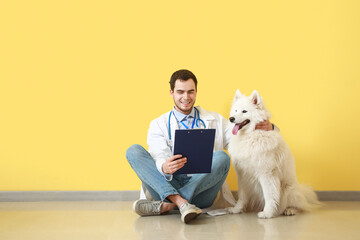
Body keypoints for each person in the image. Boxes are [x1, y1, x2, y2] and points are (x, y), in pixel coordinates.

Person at [126, 69, 274, 224]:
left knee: (222, 158)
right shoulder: (158, 124)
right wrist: (164, 167)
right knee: (133, 151)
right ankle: (180, 203)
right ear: (171, 93)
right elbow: (158, 152)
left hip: (203, 189)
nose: (186, 97)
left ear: (196, 92)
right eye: (180, 92)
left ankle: (169, 205)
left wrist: (269, 127)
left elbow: (239, 137)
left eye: (190, 91)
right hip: (168, 183)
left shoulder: (214, 119)